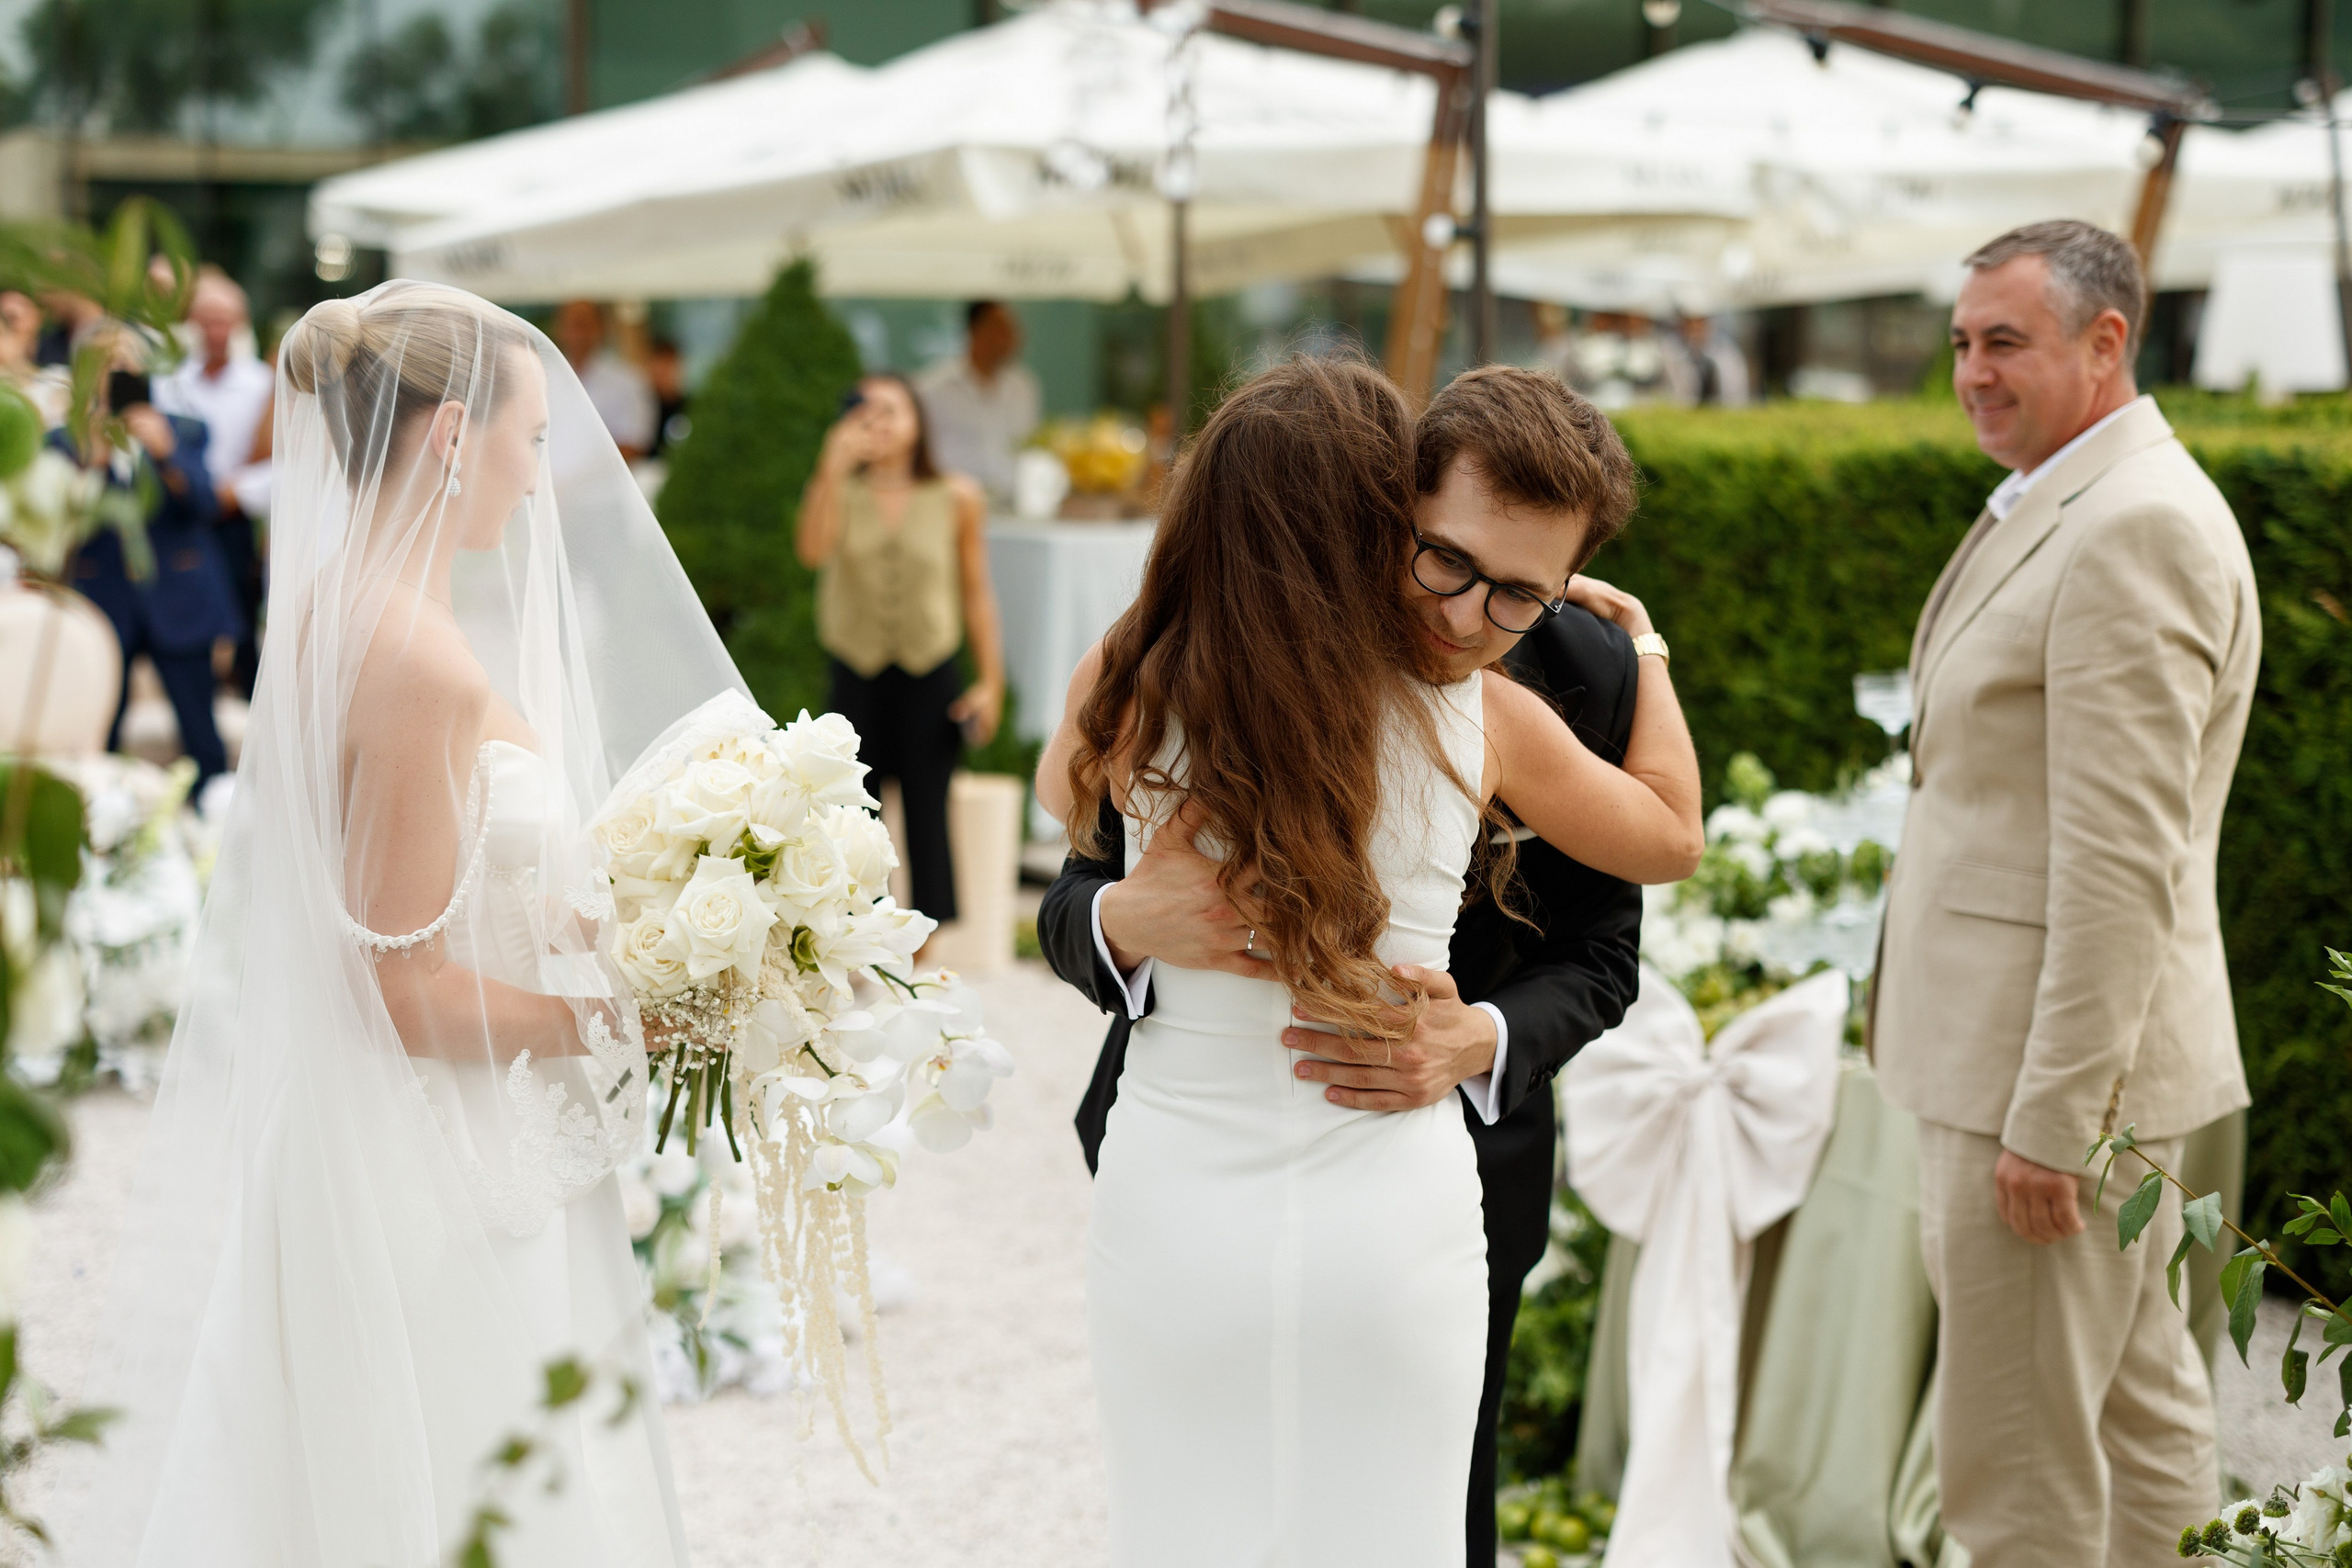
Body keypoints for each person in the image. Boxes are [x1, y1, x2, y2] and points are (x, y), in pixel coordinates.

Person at [63, 281, 744, 1565]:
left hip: (379, 1131)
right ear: (448, 438)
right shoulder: (419, 658)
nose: (538, 480)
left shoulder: (338, 611)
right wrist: (627, 1017)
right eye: (530, 440)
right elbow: (407, 987)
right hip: (431, 1160)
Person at [1032, 355, 1702, 1567]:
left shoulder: (1140, 673)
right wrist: (1649, 653)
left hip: (1191, 1188)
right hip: (1388, 1206)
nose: (1464, 616)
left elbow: (1056, 794)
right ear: (1384, 516)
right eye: (1441, 561)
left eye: (1515, 595)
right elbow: (1670, 835)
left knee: (1181, 1529)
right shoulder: (1485, 717)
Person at [1871, 220, 2257, 1567]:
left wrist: (2050, 1116)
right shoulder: (2072, 495)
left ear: (2108, 342)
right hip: (2048, 1069)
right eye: (1963, 341)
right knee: (2142, 1411)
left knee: (2017, 1472)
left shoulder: (2134, 526)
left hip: (2042, 1091)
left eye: (2005, 342)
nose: (1971, 371)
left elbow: (2119, 859)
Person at [797, 370, 1006, 931]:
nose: (878, 421)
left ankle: (927, 936)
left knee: (927, 809)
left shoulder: (956, 496)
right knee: (853, 811)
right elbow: (812, 551)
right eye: (866, 410)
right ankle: (857, 930)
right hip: (856, 668)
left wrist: (990, 683)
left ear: (918, 421)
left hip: (929, 668)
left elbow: (976, 592)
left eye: (892, 409)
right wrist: (829, 469)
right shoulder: (839, 489)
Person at [64, 344, 241, 792]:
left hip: (178, 599)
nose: (118, 375)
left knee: (202, 733)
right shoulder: (67, 440)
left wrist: (166, 454)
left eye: (128, 365)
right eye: (106, 366)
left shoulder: (184, 429)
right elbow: (62, 525)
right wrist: (93, 462)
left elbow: (204, 505)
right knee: (95, 733)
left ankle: (213, 817)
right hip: (103, 604)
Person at [155, 267, 274, 695]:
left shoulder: (263, 383)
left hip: (234, 516)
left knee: (242, 610)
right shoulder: (168, 384)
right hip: (183, 516)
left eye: (223, 320)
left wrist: (234, 493)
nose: (214, 331)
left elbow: (280, 461)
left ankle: (248, 696)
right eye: (206, 320)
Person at [916, 299, 1040, 507]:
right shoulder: (933, 389)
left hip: (1012, 507)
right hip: (952, 506)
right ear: (977, 331)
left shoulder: (1024, 388)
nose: (1013, 338)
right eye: (1002, 329)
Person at [552, 299, 658, 461]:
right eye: (571, 325)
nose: (577, 334)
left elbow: (635, 441)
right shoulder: (544, 377)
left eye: (583, 325)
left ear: (600, 329)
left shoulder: (628, 381)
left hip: (608, 480)